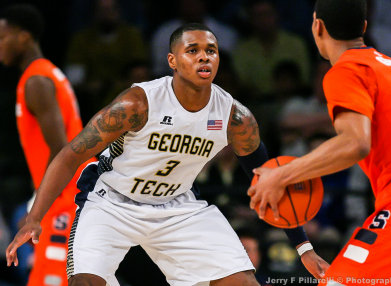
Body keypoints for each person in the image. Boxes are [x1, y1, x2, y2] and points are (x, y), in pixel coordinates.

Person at [6, 23, 327, 285]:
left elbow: (270, 179)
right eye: (193, 51)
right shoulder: (138, 104)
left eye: (211, 51)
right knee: (84, 283)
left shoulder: (234, 118)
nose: (204, 58)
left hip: (177, 205)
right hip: (112, 201)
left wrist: (304, 248)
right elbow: (69, 155)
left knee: (242, 283)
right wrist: (34, 218)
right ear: (172, 60)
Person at [248, 0, 391, 285]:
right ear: (364, 28)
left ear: (317, 26)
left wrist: (281, 175)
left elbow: (355, 143)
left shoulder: (347, 69)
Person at [0, 5, 93, 286]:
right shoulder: (47, 73)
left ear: (24, 37)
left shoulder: (37, 80)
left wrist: (35, 207)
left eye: (3, 37)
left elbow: (61, 150)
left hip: (64, 197)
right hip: (65, 193)